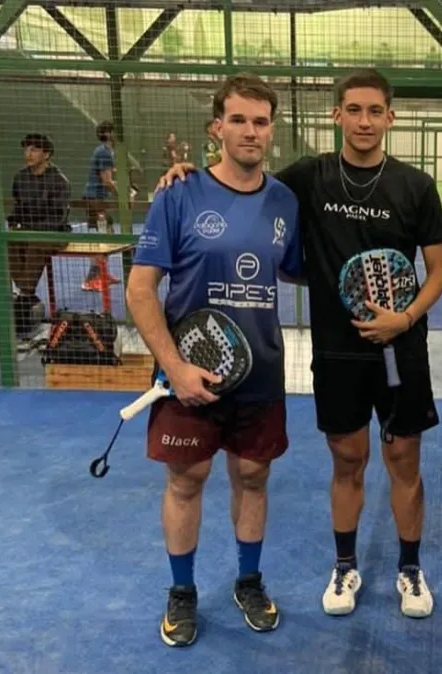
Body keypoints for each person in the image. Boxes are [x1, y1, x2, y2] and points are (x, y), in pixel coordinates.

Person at [157, 68, 442, 620]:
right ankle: (345, 566)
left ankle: (409, 569)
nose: (364, 121)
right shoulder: (306, 178)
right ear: (336, 115)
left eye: (375, 111)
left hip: (401, 350)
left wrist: (405, 317)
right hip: (337, 352)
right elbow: (242, 183)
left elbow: (438, 269)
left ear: (391, 117)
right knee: (348, 460)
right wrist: (187, 176)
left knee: (404, 458)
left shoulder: (416, 186)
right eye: (353, 110)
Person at [127, 72, 303, 648]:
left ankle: (248, 580)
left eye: (260, 121)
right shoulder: (178, 195)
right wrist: (175, 368)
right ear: (217, 128)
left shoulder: (285, 202)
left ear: (271, 130)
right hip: (188, 373)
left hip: (261, 375)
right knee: (187, 480)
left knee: (253, 477)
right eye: (239, 120)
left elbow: (301, 267)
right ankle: (182, 591)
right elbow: (139, 290)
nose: (251, 131)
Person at [7, 133, 71, 347]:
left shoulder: (58, 180)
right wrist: (14, 223)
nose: (28, 154)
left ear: (46, 154)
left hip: (54, 232)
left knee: (36, 243)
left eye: (34, 149)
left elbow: (59, 216)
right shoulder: (19, 177)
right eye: (26, 149)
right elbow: (17, 209)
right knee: (9, 241)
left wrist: (33, 229)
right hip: (27, 231)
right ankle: (23, 291)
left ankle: (24, 293)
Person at [81, 120, 118, 292]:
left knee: (108, 235)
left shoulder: (107, 152)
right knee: (103, 238)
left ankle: (103, 274)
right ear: (109, 134)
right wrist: (122, 193)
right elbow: (107, 180)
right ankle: (90, 279)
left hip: (99, 199)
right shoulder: (104, 152)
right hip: (95, 200)